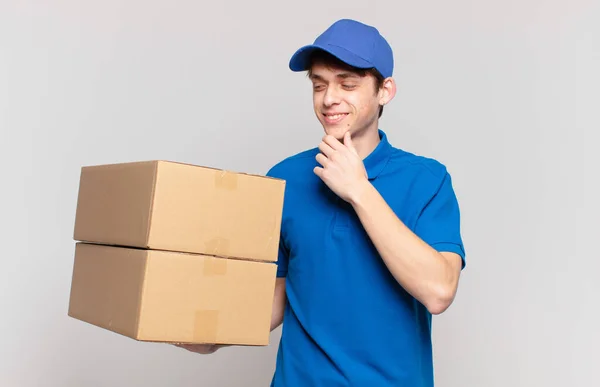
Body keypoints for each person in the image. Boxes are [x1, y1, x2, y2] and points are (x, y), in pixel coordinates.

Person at [178, 18, 466, 387]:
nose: (329, 99)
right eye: (319, 85)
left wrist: (359, 191)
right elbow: (276, 295)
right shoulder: (285, 178)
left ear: (385, 91)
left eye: (347, 84)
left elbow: (439, 291)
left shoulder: (427, 180)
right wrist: (206, 336)